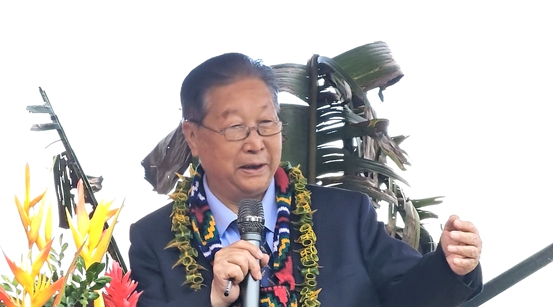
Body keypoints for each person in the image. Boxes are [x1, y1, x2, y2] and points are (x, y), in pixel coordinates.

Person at [128, 52, 483, 307]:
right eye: (235, 128)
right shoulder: (154, 241)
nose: (256, 144)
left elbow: (408, 295)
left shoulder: (344, 215)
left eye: (267, 123)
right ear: (192, 136)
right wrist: (214, 301)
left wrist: (450, 266)